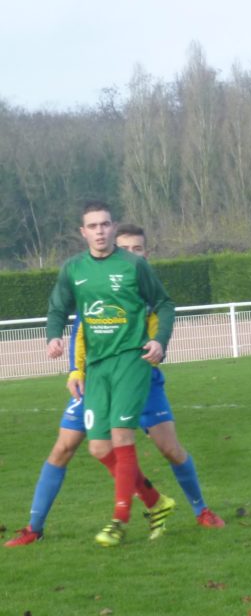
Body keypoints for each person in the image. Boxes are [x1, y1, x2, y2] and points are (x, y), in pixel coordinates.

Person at [6, 225, 222, 548]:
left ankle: (201, 510)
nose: (131, 254)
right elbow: (81, 330)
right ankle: (34, 528)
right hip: (97, 378)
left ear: (146, 254)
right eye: (126, 248)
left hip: (141, 378)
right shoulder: (98, 285)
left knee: (170, 448)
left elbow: (162, 320)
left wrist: (157, 346)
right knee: (67, 447)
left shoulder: (147, 289)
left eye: (138, 249)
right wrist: (75, 370)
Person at [43, 201, 176, 547]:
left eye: (105, 224)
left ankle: (119, 520)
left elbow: (164, 303)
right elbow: (58, 307)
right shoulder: (73, 269)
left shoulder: (133, 265)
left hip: (131, 359)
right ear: (83, 232)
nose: (100, 231)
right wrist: (54, 336)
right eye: (93, 226)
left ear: (113, 227)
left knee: (121, 437)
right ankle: (156, 502)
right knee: (99, 447)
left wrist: (160, 341)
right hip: (97, 366)